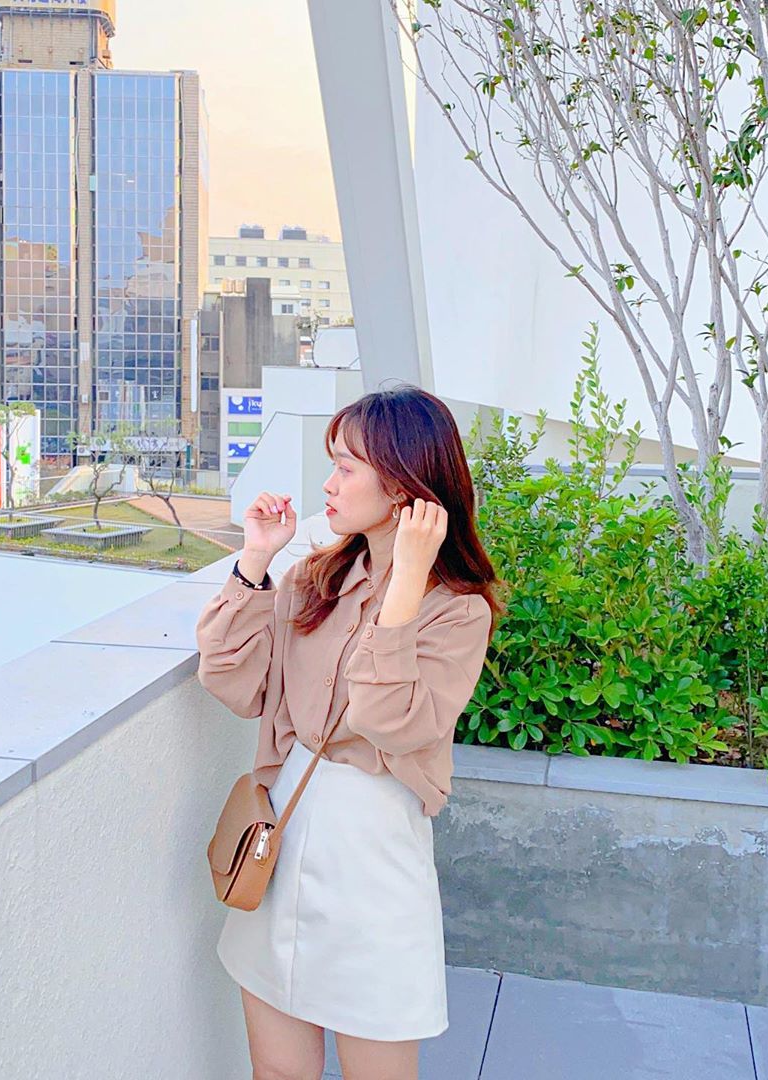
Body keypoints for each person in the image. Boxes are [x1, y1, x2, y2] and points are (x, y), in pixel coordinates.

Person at [195, 385, 500, 1080]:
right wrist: (255, 559)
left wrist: (406, 584)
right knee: (278, 1071)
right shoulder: (315, 578)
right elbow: (236, 684)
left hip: (374, 850)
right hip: (286, 826)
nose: (328, 485)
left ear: (402, 485)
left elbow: (391, 722)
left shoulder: (457, 611)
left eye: (345, 467)